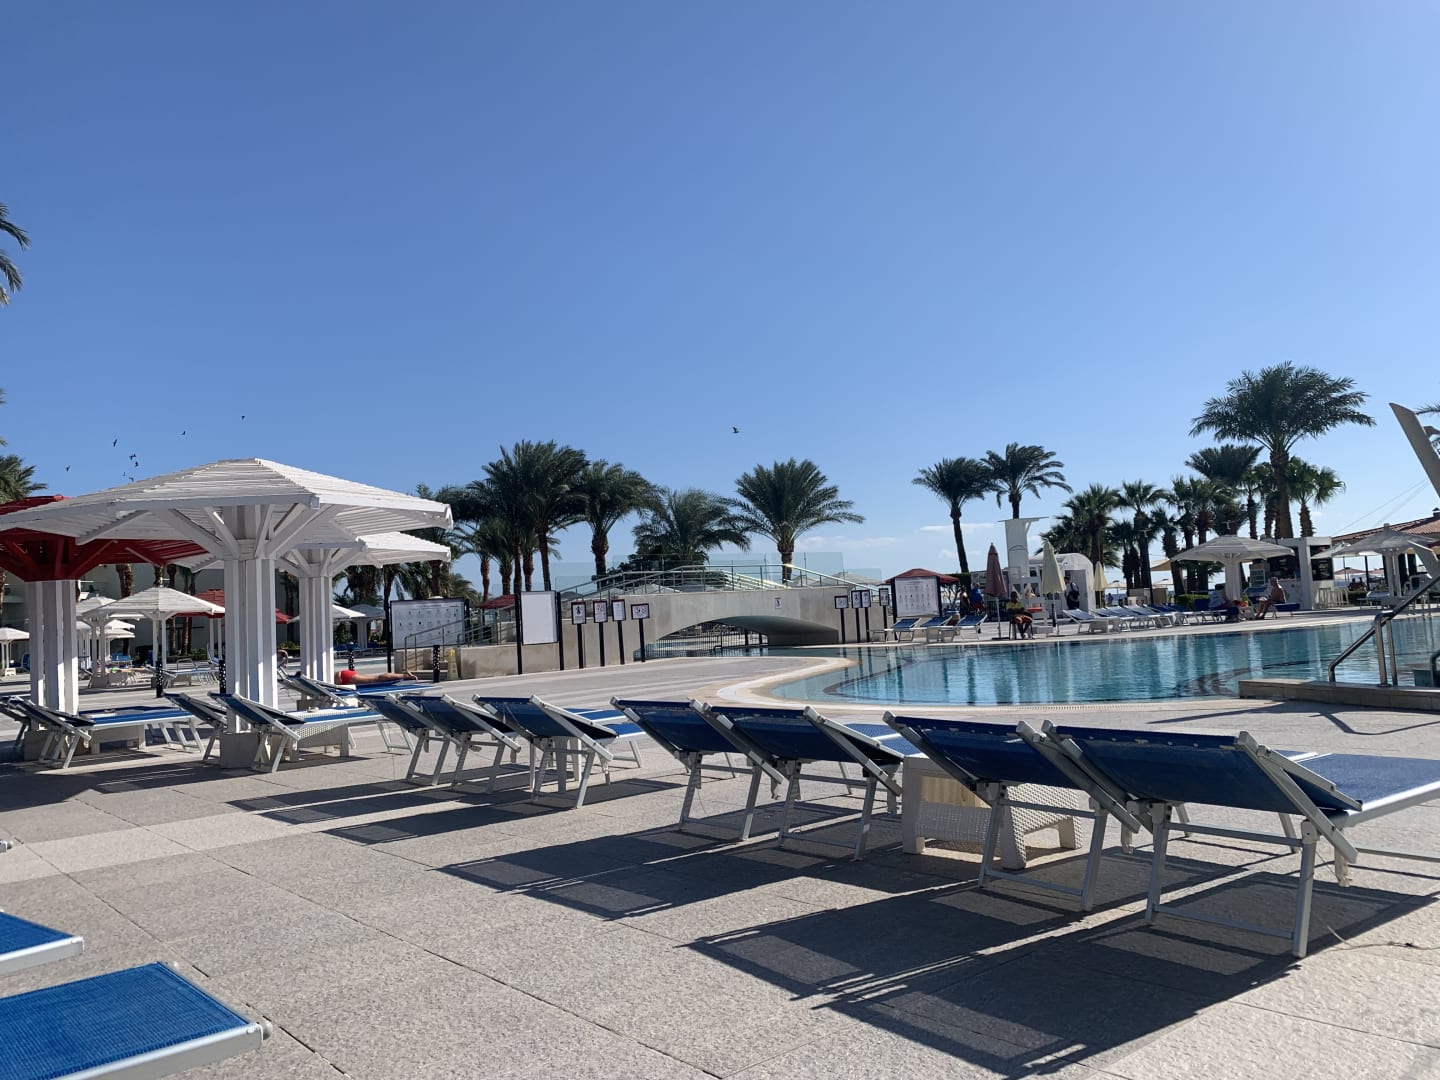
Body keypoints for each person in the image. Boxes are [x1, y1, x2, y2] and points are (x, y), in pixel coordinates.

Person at [336, 663, 416, 686]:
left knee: (376, 679)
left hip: (343, 677)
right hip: (344, 677)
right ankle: (404, 675)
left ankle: (405, 675)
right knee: (375, 678)